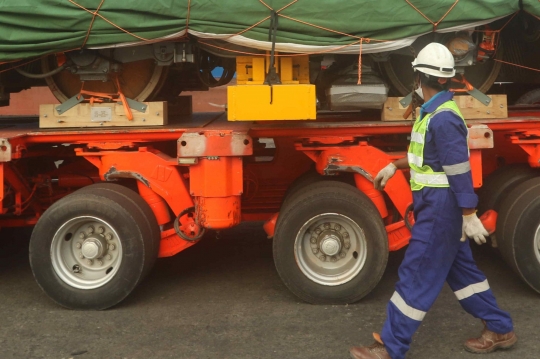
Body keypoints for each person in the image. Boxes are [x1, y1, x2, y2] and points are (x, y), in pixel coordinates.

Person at [348, 43, 516, 359]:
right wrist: (393, 165)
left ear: (419, 77)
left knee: (416, 273)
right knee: (464, 275)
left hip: (442, 208)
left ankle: (390, 345)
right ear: (446, 79)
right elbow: (428, 159)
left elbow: (458, 170)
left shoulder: (442, 118)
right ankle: (500, 328)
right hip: (437, 205)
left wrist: (468, 213)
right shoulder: (433, 113)